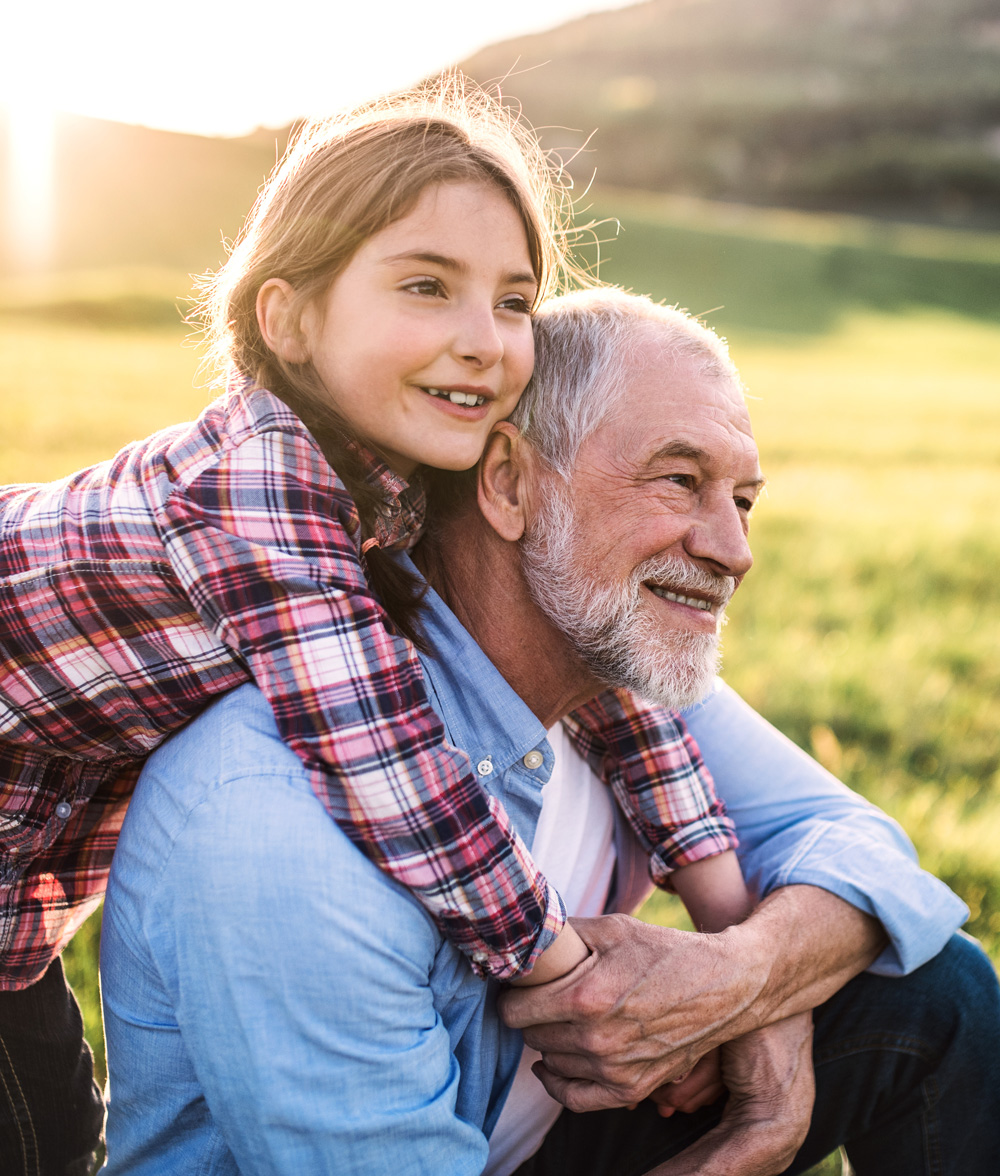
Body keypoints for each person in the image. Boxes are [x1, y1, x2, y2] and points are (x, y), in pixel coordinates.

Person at [0, 85, 751, 1173]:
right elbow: (388, 763)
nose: (482, 342)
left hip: (24, 896)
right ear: (288, 319)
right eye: (425, 287)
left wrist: (722, 904)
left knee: (55, 1134)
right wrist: (561, 973)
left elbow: (606, 689)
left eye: (511, 301)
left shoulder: (391, 482)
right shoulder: (251, 491)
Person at [100, 288, 996, 1175]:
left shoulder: (617, 677)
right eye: (681, 481)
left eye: (744, 499)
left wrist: (736, 983)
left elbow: (878, 863)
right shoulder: (279, 817)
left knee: (936, 994)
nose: (734, 548)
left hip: (523, 1139)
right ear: (510, 484)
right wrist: (739, 1154)